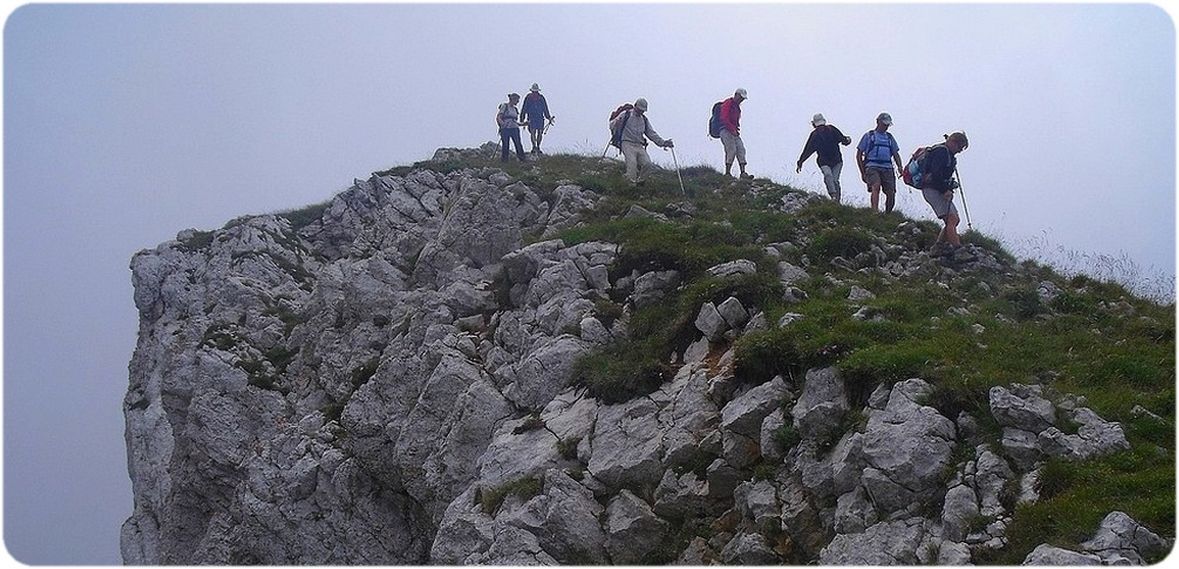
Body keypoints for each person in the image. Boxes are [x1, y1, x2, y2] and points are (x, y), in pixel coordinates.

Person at [922, 131, 970, 255]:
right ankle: (958, 250)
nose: (960, 151)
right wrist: (945, 190)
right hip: (933, 189)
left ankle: (938, 246)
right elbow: (936, 173)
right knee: (951, 219)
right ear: (953, 142)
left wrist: (948, 186)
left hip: (935, 189)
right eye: (960, 147)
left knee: (955, 219)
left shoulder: (946, 154)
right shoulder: (942, 152)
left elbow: (939, 174)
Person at [609, 97, 673, 185]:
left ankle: (640, 182)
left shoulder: (644, 120)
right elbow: (612, 124)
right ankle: (631, 186)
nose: (641, 112)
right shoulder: (625, 114)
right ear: (635, 106)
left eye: (642, 111)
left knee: (647, 164)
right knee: (632, 163)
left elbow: (651, 134)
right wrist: (616, 123)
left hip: (639, 145)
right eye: (639, 109)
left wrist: (663, 143)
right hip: (627, 143)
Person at [796, 113, 852, 202]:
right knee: (828, 175)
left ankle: (836, 200)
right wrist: (801, 161)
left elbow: (842, 138)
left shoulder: (831, 130)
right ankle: (833, 196)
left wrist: (846, 140)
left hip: (837, 161)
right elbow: (808, 149)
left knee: (834, 180)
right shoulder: (815, 135)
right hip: (824, 162)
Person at [856, 112, 904, 213]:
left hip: (888, 167)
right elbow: (859, 154)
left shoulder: (890, 138)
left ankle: (888, 214)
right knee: (875, 186)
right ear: (878, 122)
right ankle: (875, 212)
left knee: (891, 192)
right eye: (884, 124)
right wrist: (862, 172)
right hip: (872, 166)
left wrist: (900, 167)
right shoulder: (869, 136)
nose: (886, 127)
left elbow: (895, 153)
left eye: (887, 125)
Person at [719, 88, 752, 179]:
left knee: (741, 149)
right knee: (731, 150)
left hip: (734, 131)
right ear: (736, 95)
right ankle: (728, 173)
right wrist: (732, 128)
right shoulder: (728, 103)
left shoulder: (737, 108)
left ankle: (743, 172)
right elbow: (724, 118)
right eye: (741, 97)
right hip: (725, 130)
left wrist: (735, 130)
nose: (741, 100)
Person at [520, 83, 554, 155]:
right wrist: (522, 118)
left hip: (539, 118)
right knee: (532, 132)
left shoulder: (541, 98)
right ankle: (534, 146)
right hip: (531, 117)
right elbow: (524, 108)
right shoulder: (528, 98)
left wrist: (548, 117)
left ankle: (538, 146)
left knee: (539, 132)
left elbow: (545, 108)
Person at [496, 93, 527, 162]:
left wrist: (523, 124)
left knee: (518, 143)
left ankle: (522, 159)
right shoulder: (505, 106)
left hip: (514, 128)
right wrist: (502, 124)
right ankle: (505, 160)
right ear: (513, 99)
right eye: (517, 100)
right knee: (506, 145)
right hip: (506, 128)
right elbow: (499, 117)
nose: (518, 102)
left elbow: (515, 122)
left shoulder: (515, 109)